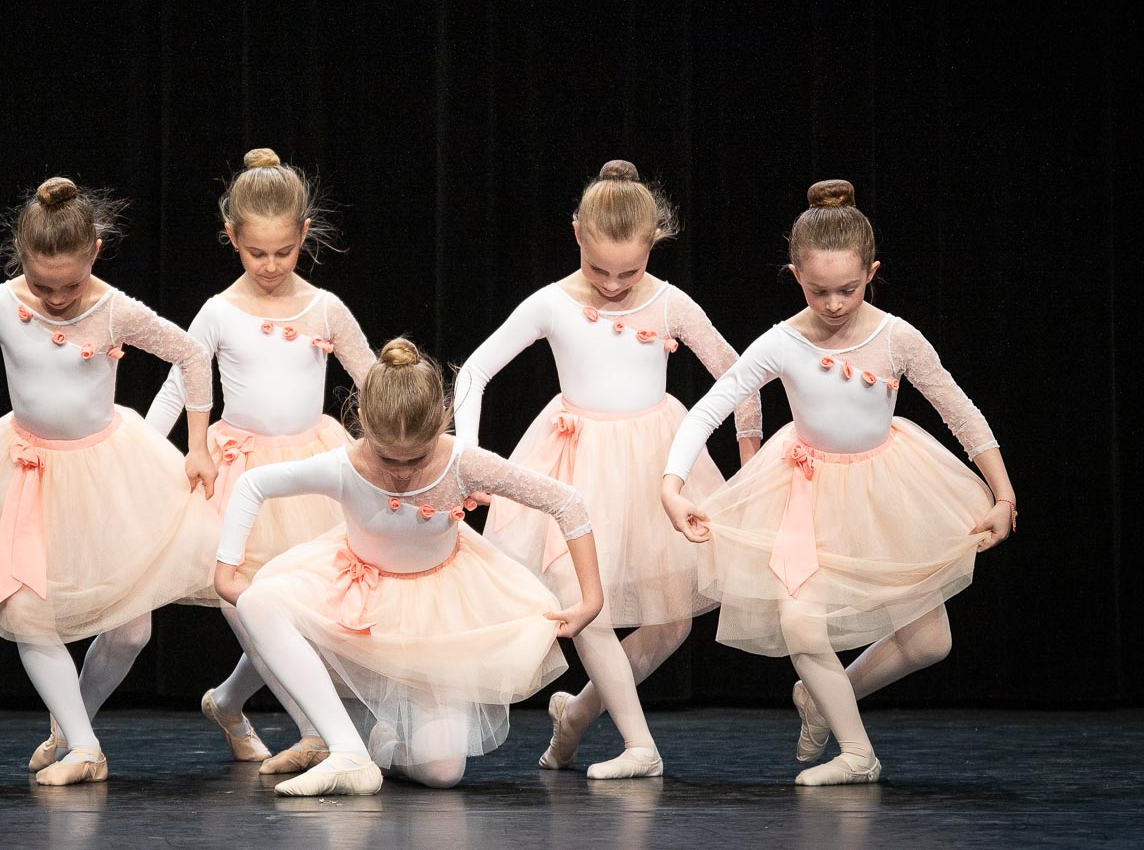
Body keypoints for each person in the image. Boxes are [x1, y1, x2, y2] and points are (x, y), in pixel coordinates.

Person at [661, 179, 1017, 785]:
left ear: (872, 272)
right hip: (805, 489)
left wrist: (1004, 494)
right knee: (802, 623)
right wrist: (673, 482)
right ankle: (858, 753)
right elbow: (711, 406)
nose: (833, 303)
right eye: (818, 289)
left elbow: (963, 413)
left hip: (888, 487)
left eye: (848, 289)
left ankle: (824, 695)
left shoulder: (896, 337)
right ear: (794, 274)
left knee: (930, 643)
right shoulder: (782, 341)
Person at [453, 159, 762, 778]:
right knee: (581, 603)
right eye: (600, 269)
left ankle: (575, 716)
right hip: (574, 465)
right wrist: (470, 457)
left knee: (670, 622)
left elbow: (744, 379)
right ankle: (641, 747)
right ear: (576, 234)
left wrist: (750, 465)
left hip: (655, 467)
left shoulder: (671, 303)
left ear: (653, 245)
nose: (615, 285)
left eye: (631, 269)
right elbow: (474, 371)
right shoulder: (552, 303)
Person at [0, 177, 221, 786]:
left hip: (106, 472)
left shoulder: (114, 309)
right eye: (42, 286)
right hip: (26, 470)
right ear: (21, 255)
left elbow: (191, 354)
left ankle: (73, 724)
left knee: (133, 626)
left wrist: (197, 445)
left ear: (94, 249)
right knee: (27, 611)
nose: (56, 300)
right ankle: (87, 749)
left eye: (69, 285)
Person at [214, 339, 605, 796]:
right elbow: (251, 484)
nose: (400, 471)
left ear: (440, 426)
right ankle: (347, 751)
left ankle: (379, 748)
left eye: (415, 458)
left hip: (433, 617)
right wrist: (227, 568)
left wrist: (591, 597)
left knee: (442, 774)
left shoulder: (463, 463)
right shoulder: (345, 465)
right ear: (362, 425)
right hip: (356, 593)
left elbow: (567, 503)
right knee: (260, 600)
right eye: (386, 457)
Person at [146, 147, 376, 774]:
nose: (271, 266)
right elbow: (179, 387)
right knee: (248, 602)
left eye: (284, 251)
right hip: (236, 473)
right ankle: (316, 731)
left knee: (296, 612)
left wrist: (423, 446)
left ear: (304, 234)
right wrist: (138, 460)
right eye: (256, 253)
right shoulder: (220, 312)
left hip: (311, 469)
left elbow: (376, 384)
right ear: (232, 239)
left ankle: (227, 701)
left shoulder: (324, 308)